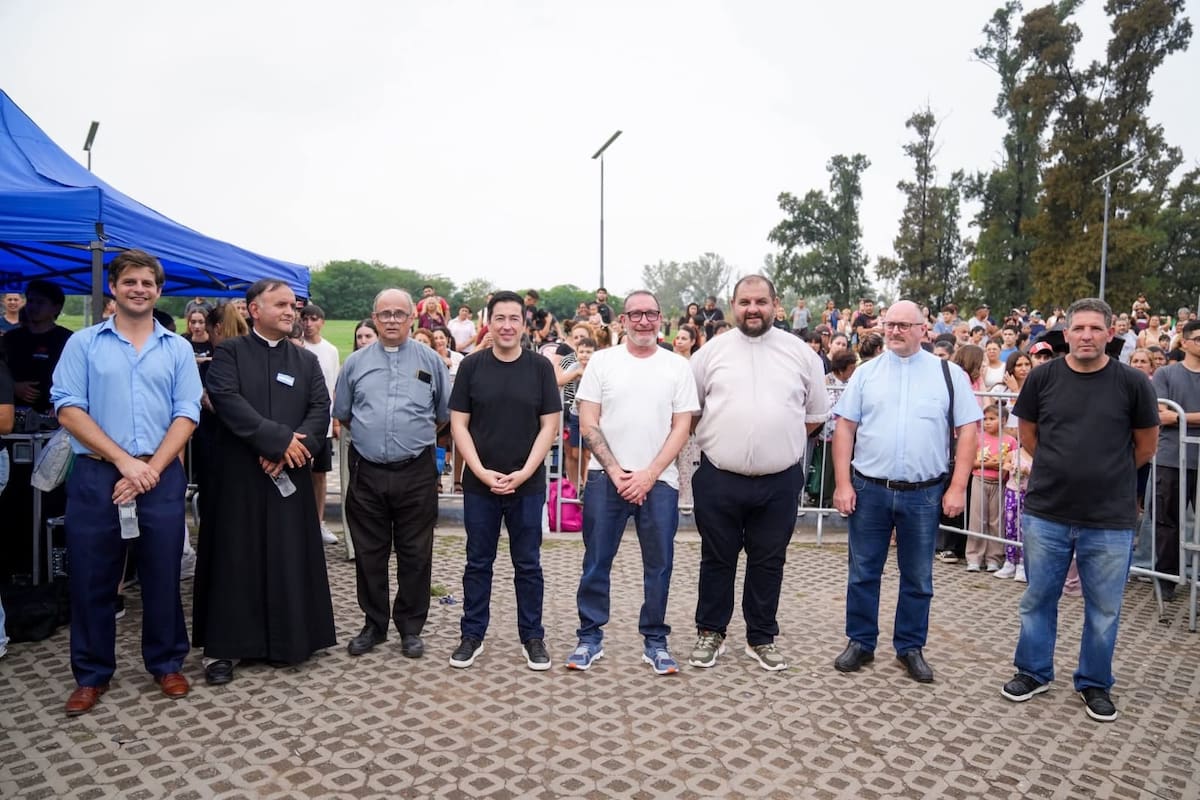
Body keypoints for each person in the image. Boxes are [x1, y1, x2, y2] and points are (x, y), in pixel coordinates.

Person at [50, 249, 202, 715]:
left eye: (148, 283)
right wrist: (125, 464)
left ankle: (166, 662)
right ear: (113, 288)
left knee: (161, 573)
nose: (139, 289)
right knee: (93, 578)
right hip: (98, 474)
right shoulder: (84, 344)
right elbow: (68, 407)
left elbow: (187, 413)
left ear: (159, 291)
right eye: (130, 281)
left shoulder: (176, 348)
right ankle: (92, 674)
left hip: (161, 473)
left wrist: (149, 469)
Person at [1001, 298, 1158, 722]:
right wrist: (1060, 466)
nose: (1086, 335)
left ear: (1110, 333)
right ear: (1066, 334)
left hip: (1109, 519)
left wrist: (1105, 473)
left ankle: (1094, 682)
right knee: (1038, 598)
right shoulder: (1042, 378)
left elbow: (1145, 446)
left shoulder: (1133, 383)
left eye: (1095, 328)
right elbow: (1030, 435)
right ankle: (1033, 671)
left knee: (1104, 608)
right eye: (1079, 328)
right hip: (1047, 512)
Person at [191, 280, 336, 685]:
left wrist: (292, 448)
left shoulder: (305, 361)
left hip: (288, 473)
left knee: (289, 555)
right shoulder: (231, 353)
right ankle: (225, 648)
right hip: (239, 476)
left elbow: (319, 410)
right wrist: (277, 442)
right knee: (234, 560)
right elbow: (226, 400)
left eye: (295, 306)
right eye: (283, 305)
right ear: (255, 310)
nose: (293, 312)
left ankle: (290, 641)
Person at [831, 300, 981, 683]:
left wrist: (958, 487)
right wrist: (843, 483)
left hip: (925, 493)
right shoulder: (866, 374)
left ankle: (910, 647)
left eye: (903, 325)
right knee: (863, 571)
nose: (895, 331)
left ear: (923, 329)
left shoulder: (948, 375)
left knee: (918, 576)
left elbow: (968, 432)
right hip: (870, 489)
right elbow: (845, 427)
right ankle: (861, 642)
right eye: (890, 324)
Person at [687, 276, 828, 671]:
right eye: (745, 301)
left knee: (769, 559)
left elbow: (813, 417)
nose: (753, 309)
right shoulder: (709, 353)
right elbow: (693, 411)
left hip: (779, 481)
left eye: (761, 301)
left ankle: (761, 636)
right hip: (719, 477)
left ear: (775, 305)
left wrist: (774, 442)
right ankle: (711, 632)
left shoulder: (801, 354)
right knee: (717, 557)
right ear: (733, 305)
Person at [566, 290, 699, 674]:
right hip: (605, 479)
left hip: (659, 481)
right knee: (596, 561)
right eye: (635, 314)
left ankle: (655, 641)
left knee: (659, 566)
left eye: (651, 314)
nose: (644, 321)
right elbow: (588, 421)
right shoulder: (603, 362)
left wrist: (649, 474)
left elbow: (681, 428)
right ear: (622, 320)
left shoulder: (677, 367)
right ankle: (589, 637)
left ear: (661, 319)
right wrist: (616, 470)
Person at [446, 291, 561, 671]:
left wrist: (526, 471)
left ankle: (532, 636)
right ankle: (472, 634)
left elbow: (550, 425)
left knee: (528, 564)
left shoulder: (540, 368)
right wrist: (478, 471)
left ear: (524, 323)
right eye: (500, 318)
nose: (507, 325)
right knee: (478, 562)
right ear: (489, 323)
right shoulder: (472, 367)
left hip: (526, 484)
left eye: (514, 318)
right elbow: (459, 424)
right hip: (481, 484)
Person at [334, 289, 450, 659]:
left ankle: (410, 627)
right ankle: (374, 623)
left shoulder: (430, 361)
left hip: (415, 471)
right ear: (374, 316)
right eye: (385, 314)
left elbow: (444, 414)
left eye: (400, 313)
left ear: (412, 318)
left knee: (416, 553)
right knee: (370, 551)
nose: (392, 320)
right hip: (367, 470)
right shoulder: (355, 363)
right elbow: (345, 414)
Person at [1150, 319, 1200, 601]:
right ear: (1186, 341)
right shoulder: (1166, 374)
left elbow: (1171, 415)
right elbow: (1160, 415)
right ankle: (1166, 579)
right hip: (1171, 458)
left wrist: (1180, 417)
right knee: (1167, 522)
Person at [299, 303, 341, 545]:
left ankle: (319, 520)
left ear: (322, 322)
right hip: (300, 419)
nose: (309, 323)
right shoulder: (295, 346)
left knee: (319, 474)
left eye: (314, 319)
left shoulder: (330, 350)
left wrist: (334, 421)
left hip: (322, 421)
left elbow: (333, 387)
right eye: (305, 318)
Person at [337, 319, 378, 562]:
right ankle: (353, 546)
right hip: (352, 432)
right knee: (349, 487)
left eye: (367, 336)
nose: (362, 341)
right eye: (359, 336)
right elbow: (341, 406)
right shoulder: (350, 365)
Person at [6, 280, 73, 413]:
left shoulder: (68, 339)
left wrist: (63, 406)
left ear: (56, 308)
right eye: (30, 301)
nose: (33, 307)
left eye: (40, 302)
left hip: (53, 415)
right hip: (13, 415)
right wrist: (12, 386)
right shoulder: (10, 338)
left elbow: (78, 379)